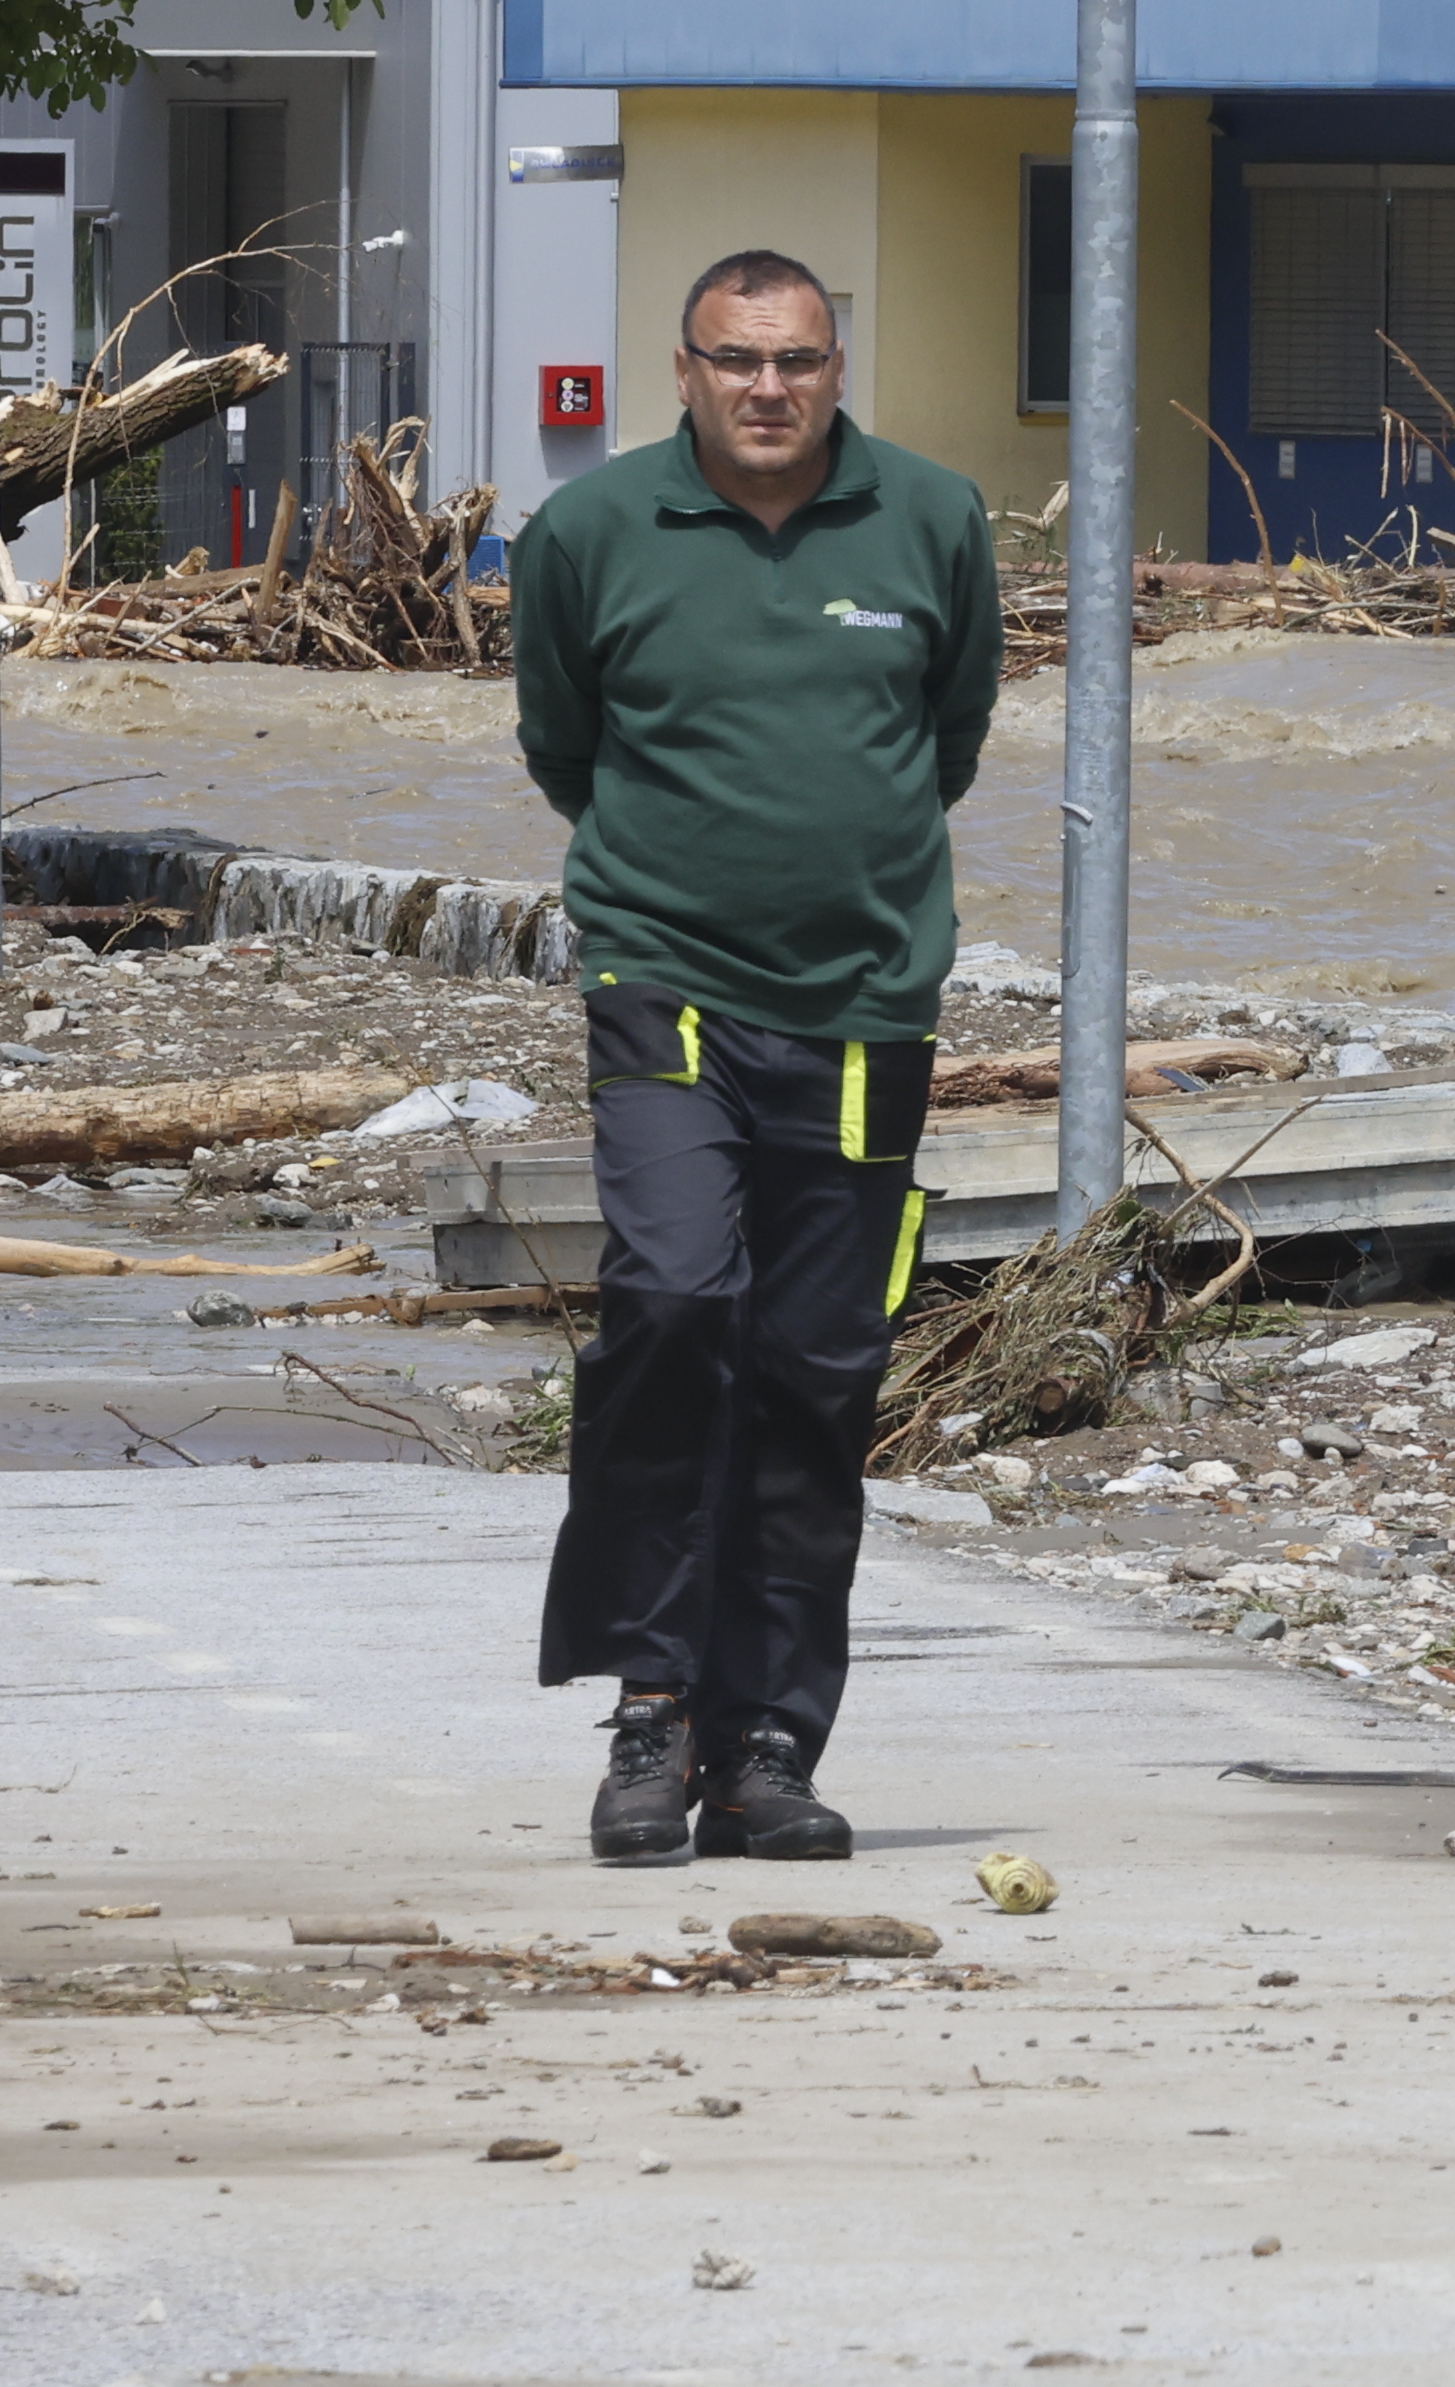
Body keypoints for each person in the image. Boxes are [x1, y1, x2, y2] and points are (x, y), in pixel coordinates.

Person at [507, 249, 1005, 1864]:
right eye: (737, 361)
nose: (768, 388)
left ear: (837, 366)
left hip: (865, 1015)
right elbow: (564, 748)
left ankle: (767, 1743)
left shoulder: (931, 522)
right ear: (685, 369)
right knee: (668, 1304)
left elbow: (950, 737)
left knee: (815, 1377)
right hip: (668, 995)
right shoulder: (592, 533)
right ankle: (652, 1711)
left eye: (795, 360)